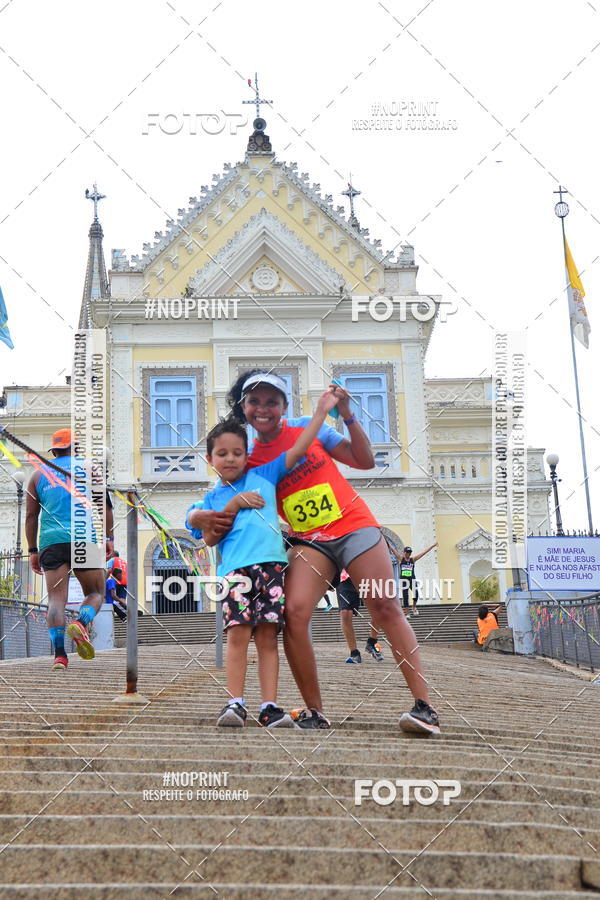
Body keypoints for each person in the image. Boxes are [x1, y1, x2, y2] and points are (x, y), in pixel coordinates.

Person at [208, 370, 440, 735]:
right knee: (294, 614)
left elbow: (363, 461)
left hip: (353, 526)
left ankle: (424, 707)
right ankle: (315, 711)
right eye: (255, 401)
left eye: (272, 401)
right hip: (309, 540)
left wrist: (347, 414)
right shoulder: (245, 456)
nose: (263, 408)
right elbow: (224, 500)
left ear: (285, 405)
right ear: (243, 406)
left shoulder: (306, 427)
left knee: (384, 605)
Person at [186, 388, 340, 729]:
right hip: (236, 572)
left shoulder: (265, 475)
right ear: (209, 459)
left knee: (269, 637)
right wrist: (233, 504)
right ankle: (235, 702)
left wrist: (320, 414)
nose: (230, 459)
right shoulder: (210, 499)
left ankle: (269, 705)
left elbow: (298, 449)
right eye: (222, 453)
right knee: (238, 635)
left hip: (271, 568)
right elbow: (208, 533)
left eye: (237, 452)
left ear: (247, 455)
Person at [25, 429, 112, 671]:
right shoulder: (89, 469)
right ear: (76, 447)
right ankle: (82, 623)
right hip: (85, 538)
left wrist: (33, 550)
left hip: (51, 542)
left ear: (53, 451)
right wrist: (108, 537)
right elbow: (104, 506)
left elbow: (31, 516)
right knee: (96, 592)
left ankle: (60, 656)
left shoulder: (36, 475)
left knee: (56, 600)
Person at [336, 570, 383, 662]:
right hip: (345, 577)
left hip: (367, 574)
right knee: (345, 612)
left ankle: (372, 642)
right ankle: (354, 652)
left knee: (379, 608)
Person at [398, 543, 437, 617]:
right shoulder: (401, 559)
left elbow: (423, 553)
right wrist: (389, 546)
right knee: (405, 596)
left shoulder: (413, 559)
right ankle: (407, 613)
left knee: (416, 593)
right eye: (407, 552)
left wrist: (432, 546)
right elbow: (394, 551)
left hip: (412, 579)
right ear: (404, 553)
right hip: (404, 580)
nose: (408, 554)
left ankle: (414, 607)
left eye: (409, 553)